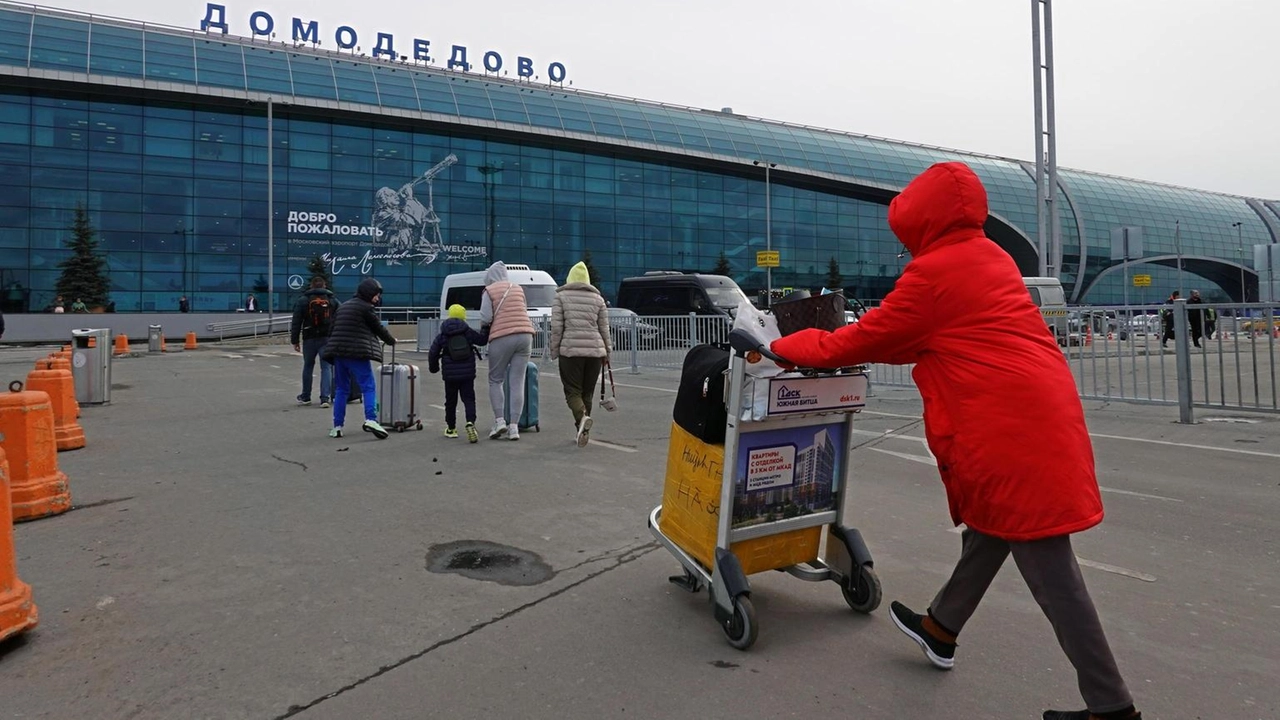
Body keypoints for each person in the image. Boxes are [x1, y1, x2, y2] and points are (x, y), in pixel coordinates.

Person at [771, 162, 1142, 720]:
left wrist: (780, 343)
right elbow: (918, 338)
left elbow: (862, 340)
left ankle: (1111, 707)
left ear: (920, 224)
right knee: (994, 527)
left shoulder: (934, 275)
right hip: (1041, 412)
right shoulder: (991, 258)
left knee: (1050, 568)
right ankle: (941, 628)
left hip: (1009, 430)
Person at [320, 278, 396, 439]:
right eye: (376, 295)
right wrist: (391, 340)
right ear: (369, 294)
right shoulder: (366, 308)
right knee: (368, 386)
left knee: (341, 389)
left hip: (338, 353)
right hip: (356, 353)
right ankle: (371, 419)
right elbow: (378, 328)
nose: (377, 299)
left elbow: (332, 329)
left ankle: (337, 426)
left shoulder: (343, 306)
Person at [549, 261, 611, 448]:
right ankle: (582, 429)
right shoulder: (598, 300)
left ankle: (582, 418)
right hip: (595, 352)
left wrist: (554, 351)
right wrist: (608, 352)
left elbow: (557, 328)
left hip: (571, 351)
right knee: (587, 392)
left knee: (572, 391)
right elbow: (604, 329)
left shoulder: (560, 297)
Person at [479, 261, 535, 441]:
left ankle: (499, 421)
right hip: (525, 335)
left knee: (496, 379)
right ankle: (514, 428)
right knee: (517, 382)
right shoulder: (518, 288)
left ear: (490, 276)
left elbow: (486, 317)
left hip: (502, 336)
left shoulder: (489, 291)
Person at [428, 304, 488, 443]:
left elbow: (433, 352)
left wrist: (434, 367)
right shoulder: (467, 331)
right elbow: (482, 340)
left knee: (450, 401)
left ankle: (451, 428)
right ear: (463, 316)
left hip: (450, 375)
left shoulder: (443, 334)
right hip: (467, 373)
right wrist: (486, 328)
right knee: (468, 399)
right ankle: (470, 422)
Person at [290, 277, 337, 408]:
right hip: (327, 338)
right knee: (326, 367)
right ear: (324, 285)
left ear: (311, 286)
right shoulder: (332, 300)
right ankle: (325, 398)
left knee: (308, 366)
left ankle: (306, 396)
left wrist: (295, 340)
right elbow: (341, 315)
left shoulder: (303, 300)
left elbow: (296, 321)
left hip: (309, 338)